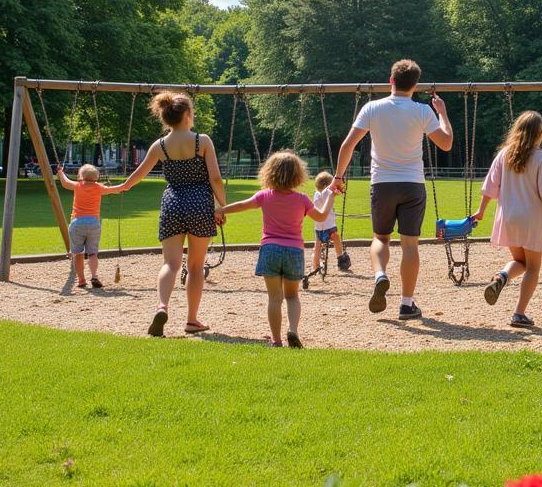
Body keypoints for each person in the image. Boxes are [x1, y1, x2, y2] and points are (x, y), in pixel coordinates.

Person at [330, 59, 453, 320]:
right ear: (415, 85)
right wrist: (441, 112)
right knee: (410, 245)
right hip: (412, 184)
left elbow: (347, 146)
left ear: (391, 81)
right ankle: (406, 304)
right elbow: (446, 143)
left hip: (382, 184)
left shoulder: (372, 108)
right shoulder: (422, 111)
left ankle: (380, 275)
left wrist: (338, 177)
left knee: (380, 239)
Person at [118, 92, 226, 337]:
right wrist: (222, 205)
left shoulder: (160, 145)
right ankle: (191, 320)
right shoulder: (203, 141)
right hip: (200, 203)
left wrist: (123, 186)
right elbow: (215, 178)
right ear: (187, 114)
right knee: (196, 266)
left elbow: (139, 173)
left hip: (173, 202)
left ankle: (162, 306)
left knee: (170, 263)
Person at [218, 151, 334, 348]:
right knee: (292, 296)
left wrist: (220, 210)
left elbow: (242, 205)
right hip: (294, 251)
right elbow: (321, 217)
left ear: (269, 173)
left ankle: (276, 340)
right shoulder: (302, 199)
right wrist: (330, 195)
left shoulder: (265, 196)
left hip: (270, 249)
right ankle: (293, 330)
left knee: (274, 298)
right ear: (298, 175)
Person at [470, 111, 542, 328]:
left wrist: (481, 211)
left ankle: (502, 276)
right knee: (533, 267)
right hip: (531, 218)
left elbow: (489, 187)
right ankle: (519, 313)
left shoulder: (504, 155)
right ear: (539, 134)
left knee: (520, 262)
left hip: (508, 218)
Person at [55, 163, 126, 289]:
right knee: (93, 253)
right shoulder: (99, 187)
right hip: (94, 223)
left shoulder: (77, 185)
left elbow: (65, 183)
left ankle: (81, 280)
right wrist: (125, 185)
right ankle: (94, 275)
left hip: (77, 222)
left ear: (80, 176)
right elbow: (115, 189)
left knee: (78, 254)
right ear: (96, 177)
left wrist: (60, 172)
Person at [311, 170, 351, 274]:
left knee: (317, 246)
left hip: (319, 227)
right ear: (328, 185)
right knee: (336, 239)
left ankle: (315, 265)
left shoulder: (316, 194)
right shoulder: (327, 193)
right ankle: (340, 258)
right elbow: (335, 191)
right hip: (329, 226)